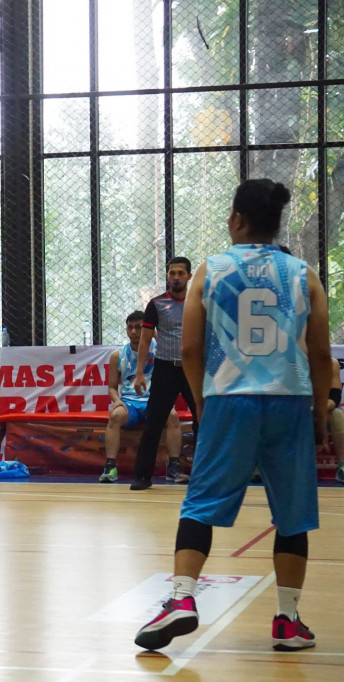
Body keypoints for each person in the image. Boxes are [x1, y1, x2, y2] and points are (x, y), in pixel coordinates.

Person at [135, 179, 330, 652]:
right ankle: (287, 620)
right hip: (288, 399)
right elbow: (322, 355)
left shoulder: (211, 271)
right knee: (291, 514)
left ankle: (182, 599)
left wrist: (204, 399)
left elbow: (191, 347)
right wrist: (320, 413)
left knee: (201, 502)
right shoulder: (303, 274)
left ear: (238, 220)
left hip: (228, 398)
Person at [130, 257, 198, 489]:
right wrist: (140, 372)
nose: (176, 277)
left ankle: (203, 475)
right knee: (154, 422)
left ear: (189, 276)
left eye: (180, 273)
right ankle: (142, 476)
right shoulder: (156, 304)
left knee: (203, 420)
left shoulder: (200, 302)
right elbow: (146, 339)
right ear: (167, 276)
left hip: (193, 369)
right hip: (165, 368)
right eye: (172, 273)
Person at [99, 311, 183, 483]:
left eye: (139, 327)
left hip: (155, 400)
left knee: (173, 416)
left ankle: (174, 467)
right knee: (115, 416)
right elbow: (112, 388)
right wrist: (117, 401)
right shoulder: (118, 355)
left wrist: (153, 332)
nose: (134, 332)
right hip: (130, 402)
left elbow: (173, 350)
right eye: (130, 328)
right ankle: (110, 466)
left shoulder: (159, 349)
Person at [325, 358, 344, 484]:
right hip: (296, 408)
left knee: (337, 414)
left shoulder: (332, 364)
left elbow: (335, 398)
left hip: (321, 408)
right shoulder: (292, 363)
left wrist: (316, 410)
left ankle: (342, 465)